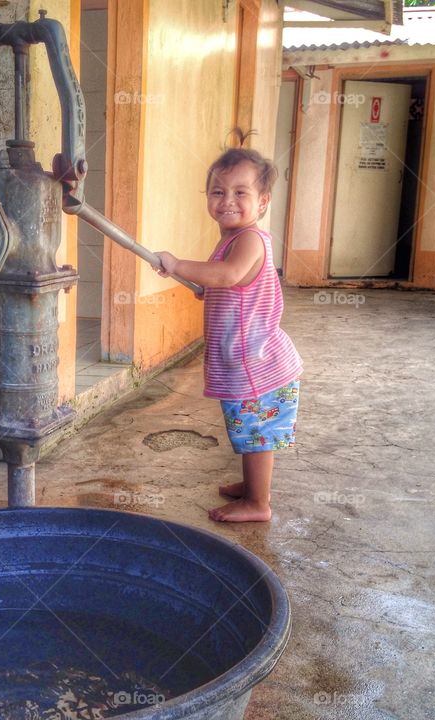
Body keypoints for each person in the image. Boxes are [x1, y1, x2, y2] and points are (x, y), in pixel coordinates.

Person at [154, 147, 302, 523]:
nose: (228, 201)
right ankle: (252, 486)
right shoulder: (231, 240)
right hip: (245, 358)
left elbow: (230, 276)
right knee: (248, 427)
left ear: (263, 201)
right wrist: (206, 287)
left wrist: (177, 265)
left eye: (241, 193)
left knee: (257, 433)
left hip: (257, 362)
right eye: (218, 192)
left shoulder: (250, 239)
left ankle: (258, 503)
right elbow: (230, 284)